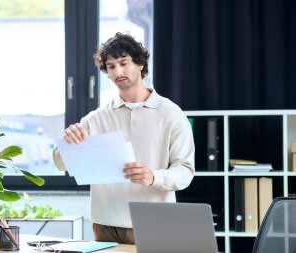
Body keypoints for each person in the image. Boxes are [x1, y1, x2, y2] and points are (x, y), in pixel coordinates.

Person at [52, 32, 195, 244]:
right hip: (104, 223)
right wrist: (67, 142)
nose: (118, 71)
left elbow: (185, 171)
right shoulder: (96, 118)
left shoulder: (171, 114)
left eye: (123, 63)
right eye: (111, 66)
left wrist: (153, 177)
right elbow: (60, 163)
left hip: (153, 220)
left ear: (139, 64)